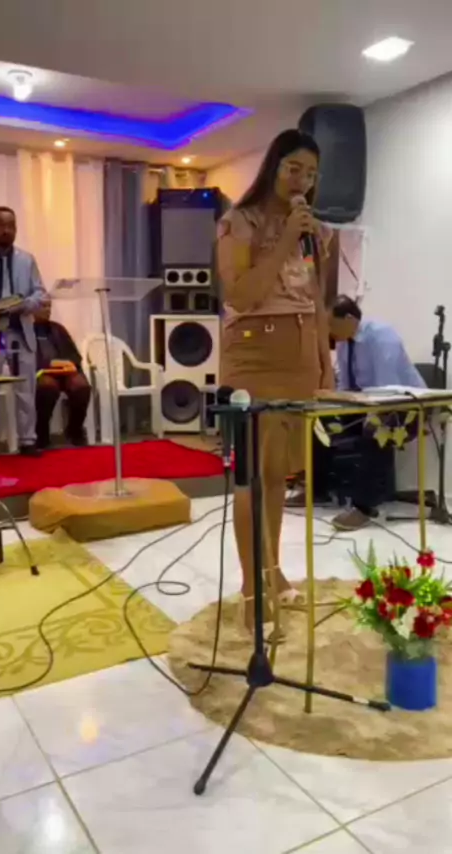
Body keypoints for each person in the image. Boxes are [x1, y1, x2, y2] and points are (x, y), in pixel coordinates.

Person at [217, 128, 334, 631]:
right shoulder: (238, 221)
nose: (302, 180)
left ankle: (273, 569)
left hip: (300, 354)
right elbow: (242, 295)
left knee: (277, 475)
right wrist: (285, 236)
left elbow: (318, 301)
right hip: (253, 354)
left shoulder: (317, 233)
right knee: (251, 475)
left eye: (311, 173)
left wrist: (325, 363)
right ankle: (251, 589)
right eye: (294, 169)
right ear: (273, 167)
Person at [327, 295, 426, 530]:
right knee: (320, 422)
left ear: (349, 318)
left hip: (405, 404)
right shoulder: (343, 342)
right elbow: (345, 386)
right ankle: (319, 490)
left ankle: (364, 507)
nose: (328, 331)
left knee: (374, 430)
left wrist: (371, 414)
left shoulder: (381, 336)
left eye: (331, 324)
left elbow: (387, 389)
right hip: (367, 402)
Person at [0, 207, 46, 455]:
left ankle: (28, 440)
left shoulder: (27, 259)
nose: (7, 230)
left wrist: (25, 304)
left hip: (21, 331)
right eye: (1, 225)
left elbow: (40, 292)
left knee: (26, 387)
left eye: (11, 226)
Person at [34, 300, 91, 449]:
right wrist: (47, 364)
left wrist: (68, 363)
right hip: (39, 372)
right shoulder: (24, 331)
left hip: (63, 372)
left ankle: (75, 429)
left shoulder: (57, 329)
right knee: (48, 387)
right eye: (43, 306)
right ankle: (41, 432)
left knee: (81, 386)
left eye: (49, 306)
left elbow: (74, 355)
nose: (47, 310)